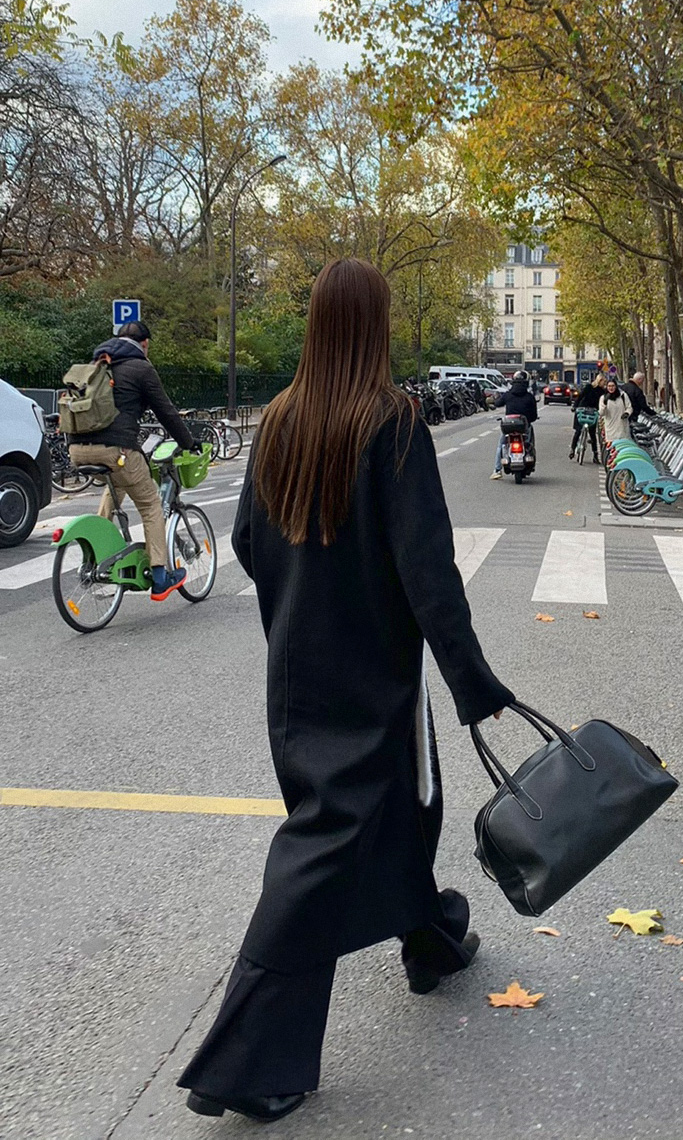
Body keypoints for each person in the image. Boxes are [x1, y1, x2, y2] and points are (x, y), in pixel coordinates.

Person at [178, 259, 514, 1124]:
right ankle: (244, 1061)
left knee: (400, 806)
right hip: (371, 672)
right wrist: (473, 682)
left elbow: (249, 539)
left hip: (295, 667)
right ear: (376, 326)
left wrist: (299, 600)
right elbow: (428, 572)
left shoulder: (282, 419)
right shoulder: (392, 423)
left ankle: (431, 936)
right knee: (328, 841)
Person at [67, 320, 198, 601]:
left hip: (78, 450)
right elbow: (166, 412)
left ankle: (95, 554)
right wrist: (189, 442)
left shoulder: (96, 365)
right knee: (151, 505)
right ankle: (162, 577)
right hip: (117, 451)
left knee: (118, 484)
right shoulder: (141, 368)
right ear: (145, 344)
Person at [490, 369, 538, 478]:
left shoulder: (508, 395)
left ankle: (497, 470)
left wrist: (495, 399)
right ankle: (529, 459)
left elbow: (497, 403)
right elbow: (534, 415)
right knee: (529, 442)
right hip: (524, 426)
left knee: (501, 445)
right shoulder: (529, 397)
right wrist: (530, 419)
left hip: (508, 426)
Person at [569, 373, 604, 462]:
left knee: (588, 433)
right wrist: (575, 406)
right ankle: (573, 449)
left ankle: (595, 454)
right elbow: (581, 396)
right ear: (599, 381)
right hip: (583, 410)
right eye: (604, 381)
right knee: (583, 432)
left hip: (589, 411)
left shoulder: (602, 391)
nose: (605, 384)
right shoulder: (589, 387)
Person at [599, 377, 632, 453]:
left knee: (623, 449)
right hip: (610, 428)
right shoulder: (603, 398)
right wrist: (604, 403)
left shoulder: (623, 396)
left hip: (622, 427)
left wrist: (627, 413)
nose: (611, 388)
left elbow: (629, 407)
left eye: (613, 386)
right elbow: (601, 413)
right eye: (609, 386)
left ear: (616, 386)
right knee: (612, 449)